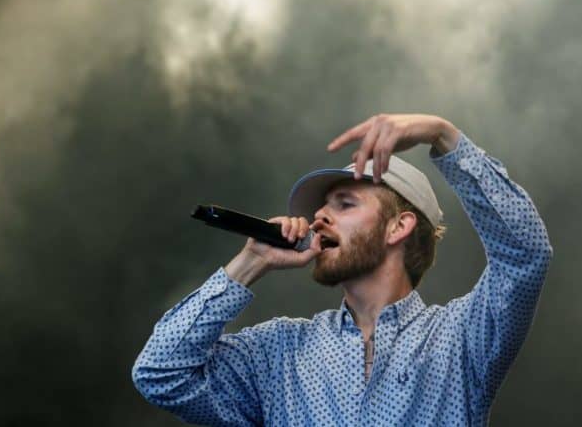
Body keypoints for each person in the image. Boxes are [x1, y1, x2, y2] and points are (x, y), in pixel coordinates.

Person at [132, 114, 552, 426]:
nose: (318, 218)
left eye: (345, 204)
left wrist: (441, 134)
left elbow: (525, 253)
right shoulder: (279, 352)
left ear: (398, 227)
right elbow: (162, 374)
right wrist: (251, 262)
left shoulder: (459, 339)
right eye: (321, 208)